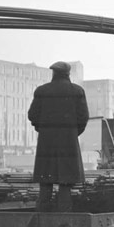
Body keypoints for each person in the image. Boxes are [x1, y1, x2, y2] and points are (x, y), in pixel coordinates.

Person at [28, 61, 89, 212]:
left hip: (46, 143)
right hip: (68, 143)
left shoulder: (41, 91)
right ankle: (63, 220)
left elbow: (32, 116)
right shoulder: (77, 91)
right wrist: (72, 133)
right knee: (65, 186)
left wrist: (44, 130)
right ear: (68, 74)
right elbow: (83, 118)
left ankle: (41, 219)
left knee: (45, 185)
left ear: (53, 73)